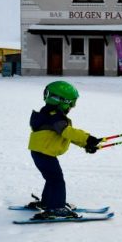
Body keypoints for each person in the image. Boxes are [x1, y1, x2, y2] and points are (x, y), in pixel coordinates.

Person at [25, 81, 102, 220]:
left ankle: (49, 202)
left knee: (52, 179)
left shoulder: (49, 113)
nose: (73, 106)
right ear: (61, 100)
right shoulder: (55, 117)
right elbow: (67, 132)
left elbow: (66, 135)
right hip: (44, 154)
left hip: (41, 152)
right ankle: (56, 207)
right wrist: (87, 138)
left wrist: (86, 144)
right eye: (71, 103)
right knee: (57, 180)